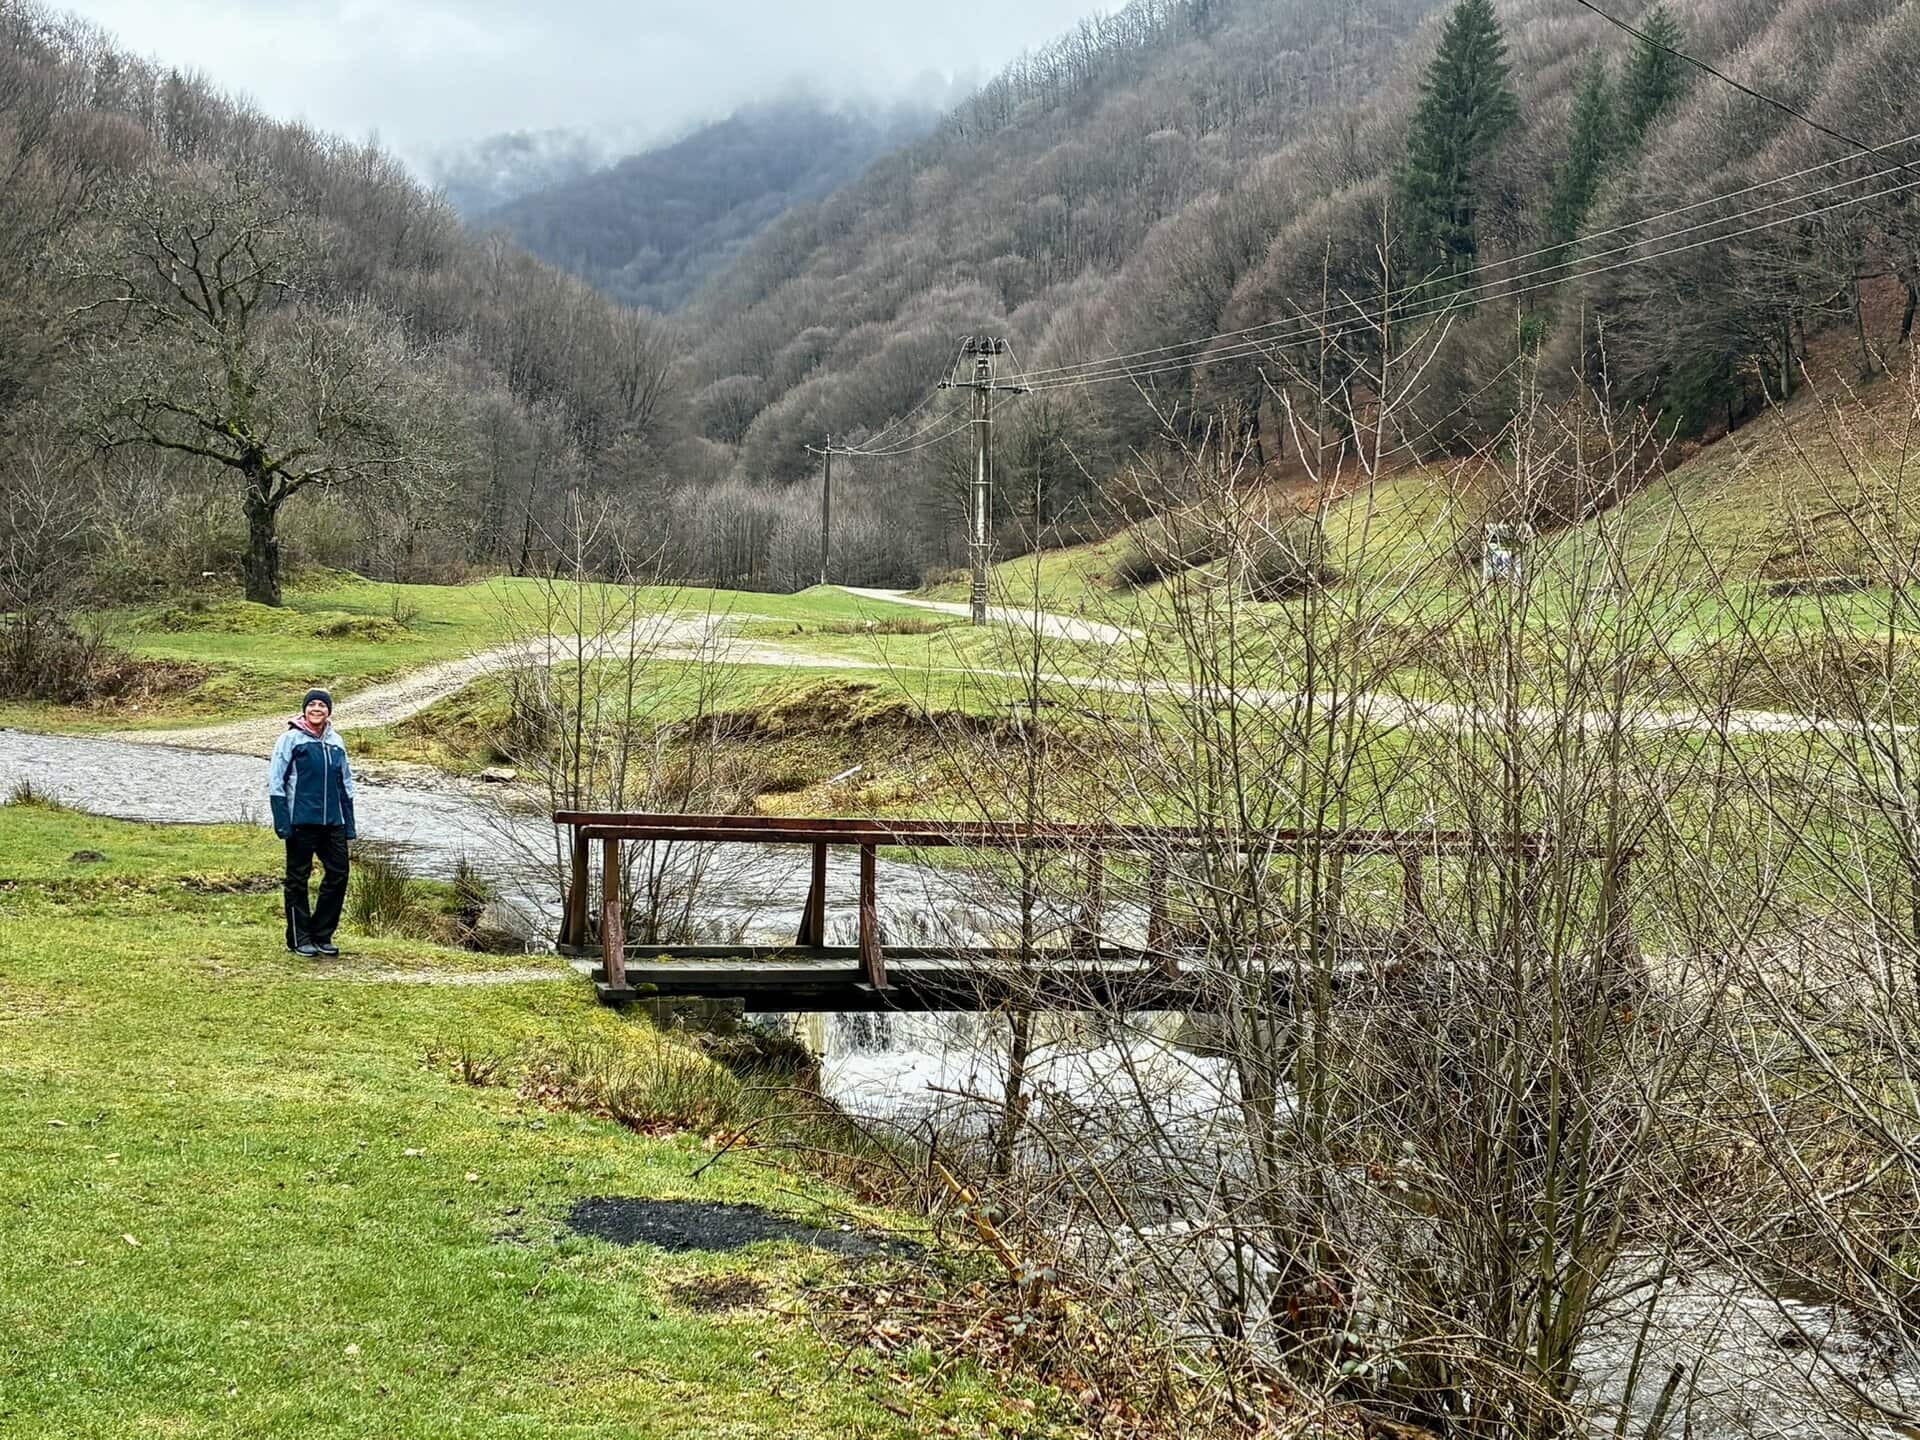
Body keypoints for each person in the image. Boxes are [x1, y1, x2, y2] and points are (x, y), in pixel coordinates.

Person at [267, 687, 357, 958]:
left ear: (329, 711)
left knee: (339, 874)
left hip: (333, 823)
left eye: (322, 705)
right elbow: (276, 781)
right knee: (298, 879)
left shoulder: (337, 742)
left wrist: (348, 822)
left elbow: (346, 783)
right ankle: (299, 937)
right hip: (300, 822)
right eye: (312, 705)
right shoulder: (290, 740)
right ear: (304, 709)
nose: (317, 709)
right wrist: (283, 821)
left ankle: (322, 934)